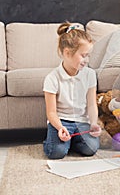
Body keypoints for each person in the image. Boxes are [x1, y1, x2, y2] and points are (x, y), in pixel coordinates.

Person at [43, 22, 101, 159]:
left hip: (81, 121)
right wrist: (59, 128)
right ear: (67, 53)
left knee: (91, 148)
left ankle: (72, 141)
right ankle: (58, 141)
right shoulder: (52, 78)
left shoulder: (90, 74)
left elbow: (92, 104)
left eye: (88, 55)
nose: (86, 60)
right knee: (56, 152)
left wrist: (93, 123)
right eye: (83, 55)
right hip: (61, 121)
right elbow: (51, 112)